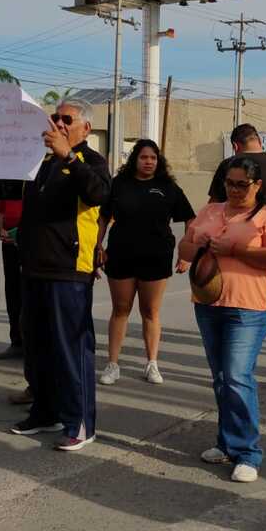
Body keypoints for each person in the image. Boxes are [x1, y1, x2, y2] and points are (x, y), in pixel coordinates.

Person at [7, 100, 110, 451]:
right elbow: (3, 187)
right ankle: (45, 411)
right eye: (56, 118)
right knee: (37, 347)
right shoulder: (39, 162)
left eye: (68, 119)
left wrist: (69, 157)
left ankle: (80, 422)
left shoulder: (92, 162)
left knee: (71, 350)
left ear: (86, 129)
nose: (59, 124)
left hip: (69, 269)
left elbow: (98, 193)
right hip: (34, 266)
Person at [179, 156, 266, 483]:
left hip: (250, 307)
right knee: (221, 378)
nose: (236, 190)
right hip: (209, 304)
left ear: (257, 185)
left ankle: (248, 453)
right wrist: (195, 243)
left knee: (238, 376)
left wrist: (235, 250)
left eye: (243, 184)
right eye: (230, 183)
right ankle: (226, 442)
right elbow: (184, 251)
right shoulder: (211, 211)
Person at [209, 124, 266, 391]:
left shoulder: (230, 165)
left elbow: (214, 208)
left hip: (232, 252)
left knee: (235, 311)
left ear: (236, 145)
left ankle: (236, 371)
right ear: (259, 140)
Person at [97, 139, 195, 385]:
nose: (148, 162)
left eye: (153, 158)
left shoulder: (168, 187)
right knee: (120, 309)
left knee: (150, 311)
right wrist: (97, 246)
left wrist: (185, 254)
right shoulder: (118, 184)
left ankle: (152, 364)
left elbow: (190, 219)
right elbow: (102, 218)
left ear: (158, 161)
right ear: (134, 160)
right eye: (143, 157)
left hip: (156, 257)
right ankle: (113, 365)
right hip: (120, 254)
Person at [0, 191, 25, 361]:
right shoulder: (9, 185)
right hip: (9, 245)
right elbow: (1, 213)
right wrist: (1, 230)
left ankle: (32, 343)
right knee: (12, 293)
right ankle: (17, 342)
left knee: (30, 295)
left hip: (30, 246)